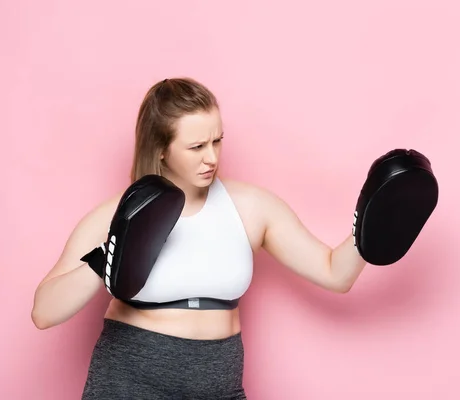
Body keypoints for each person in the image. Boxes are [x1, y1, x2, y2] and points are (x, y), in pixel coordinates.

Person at [31, 77, 437, 399]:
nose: (212, 157)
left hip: (218, 387)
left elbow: (335, 274)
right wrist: (111, 252)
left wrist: (371, 220)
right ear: (161, 151)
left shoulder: (251, 207)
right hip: (129, 383)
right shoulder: (115, 214)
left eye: (217, 140)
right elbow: (44, 312)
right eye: (196, 146)